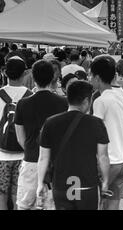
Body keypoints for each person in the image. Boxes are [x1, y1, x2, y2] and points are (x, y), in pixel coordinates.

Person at [36, 81, 110, 210]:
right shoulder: (96, 123)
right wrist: (105, 181)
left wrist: (40, 183)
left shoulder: (50, 123)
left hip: (61, 186)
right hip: (87, 186)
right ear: (87, 100)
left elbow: (43, 158)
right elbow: (103, 157)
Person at [14, 60, 68, 210]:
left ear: (33, 77)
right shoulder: (63, 103)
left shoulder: (23, 104)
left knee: (24, 205)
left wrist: (30, 149)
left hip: (31, 159)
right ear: (53, 77)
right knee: (52, 205)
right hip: (56, 163)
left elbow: (20, 137)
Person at [91, 55, 123, 210]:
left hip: (108, 162)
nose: (90, 79)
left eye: (91, 75)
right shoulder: (121, 95)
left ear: (97, 77)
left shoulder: (100, 101)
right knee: (113, 203)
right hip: (122, 161)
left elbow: (96, 132)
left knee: (99, 203)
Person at [0, 57, 32, 210]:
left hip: (1, 155)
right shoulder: (31, 95)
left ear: (5, 72)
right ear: (25, 73)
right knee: (17, 194)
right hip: (23, 153)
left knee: (1, 194)